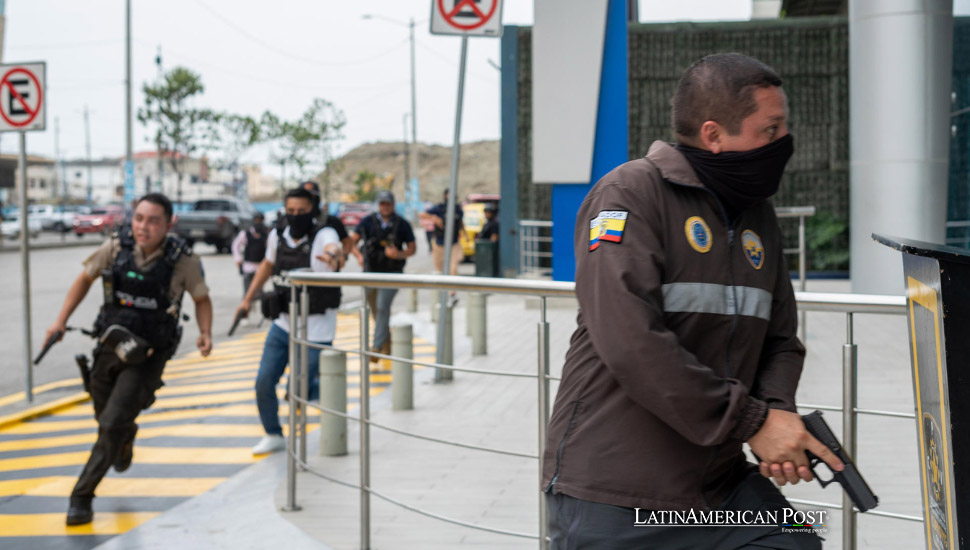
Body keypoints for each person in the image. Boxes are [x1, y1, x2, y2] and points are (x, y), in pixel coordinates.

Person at [541, 53, 844, 549]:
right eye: (770, 131)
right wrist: (753, 421)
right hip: (618, 489)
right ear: (713, 134)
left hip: (719, 484)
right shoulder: (627, 194)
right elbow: (631, 341)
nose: (782, 144)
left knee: (799, 542)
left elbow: (781, 338)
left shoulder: (756, 215)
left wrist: (775, 415)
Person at [43, 193, 212, 526]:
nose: (143, 227)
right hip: (110, 346)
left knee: (111, 422)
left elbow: (201, 298)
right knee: (105, 414)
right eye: (139, 218)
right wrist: (60, 320)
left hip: (147, 355)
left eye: (153, 221)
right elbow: (84, 279)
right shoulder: (116, 248)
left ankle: (81, 497)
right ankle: (125, 436)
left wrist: (205, 332)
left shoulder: (183, 261)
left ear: (169, 224)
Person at [235, 187, 344, 455]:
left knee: (298, 387)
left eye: (301, 212)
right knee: (263, 382)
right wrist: (248, 299)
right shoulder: (277, 234)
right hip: (283, 324)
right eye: (291, 211)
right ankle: (273, 433)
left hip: (316, 329)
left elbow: (335, 248)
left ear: (312, 211)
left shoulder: (323, 234)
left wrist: (332, 256)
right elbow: (266, 266)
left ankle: (313, 388)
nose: (295, 216)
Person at [349, 190, 416, 362]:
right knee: (376, 310)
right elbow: (351, 242)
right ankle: (387, 341)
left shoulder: (402, 224)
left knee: (382, 307)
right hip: (370, 272)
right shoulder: (367, 222)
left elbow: (412, 248)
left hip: (392, 273)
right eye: (382, 203)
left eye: (388, 203)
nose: (385, 207)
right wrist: (359, 256)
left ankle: (376, 346)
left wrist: (399, 254)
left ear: (393, 205)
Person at [231, 212, 269, 323]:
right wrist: (238, 260)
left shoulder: (265, 234)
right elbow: (235, 246)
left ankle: (264, 315)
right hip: (248, 267)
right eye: (256, 220)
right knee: (247, 292)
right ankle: (245, 316)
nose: (258, 223)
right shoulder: (245, 234)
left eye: (260, 220)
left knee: (260, 292)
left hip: (260, 268)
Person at [301, 180, 353, 257]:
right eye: (304, 197)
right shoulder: (288, 221)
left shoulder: (331, 221)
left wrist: (342, 257)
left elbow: (347, 242)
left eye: (311, 197)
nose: (308, 201)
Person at [420, 189, 467, 276]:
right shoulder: (440, 208)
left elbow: (460, 223)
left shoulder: (458, 210)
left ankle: (452, 289)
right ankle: (442, 289)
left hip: (454, 243)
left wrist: (465, 235)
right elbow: (422, 214)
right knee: (440, 270)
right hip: (440, 243)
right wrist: (435, 218)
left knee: (453, 270)